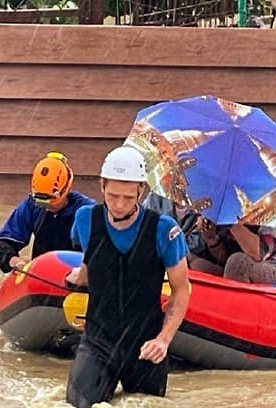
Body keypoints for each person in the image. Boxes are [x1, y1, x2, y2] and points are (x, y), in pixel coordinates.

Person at [65, 146, 190, 407]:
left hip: (145, 345)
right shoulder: (85, 219)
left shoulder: (165, 230)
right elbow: (93, 259)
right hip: (97, 341)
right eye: (112, 196)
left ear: (140, 191)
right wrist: (79, 276)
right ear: (101, 186)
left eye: (127, 197)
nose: (120, 204)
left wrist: (163, 340)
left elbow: (181, 290)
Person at [0, 152, 95, 273]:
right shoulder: (31, 205)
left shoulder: (87, 211)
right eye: (40, 201)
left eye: (49, 201)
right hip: (42, 274)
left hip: (77, 274)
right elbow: (3, 241)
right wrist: (14, 261)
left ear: (65, 190)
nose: (45, 207)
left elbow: (102, 254)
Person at [222, 216, 276, 283]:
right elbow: (222, 259)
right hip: (251, 271)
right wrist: (211, 239)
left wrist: (230, 221)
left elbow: (259, 252)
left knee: (238, 263)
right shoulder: (243, 212)